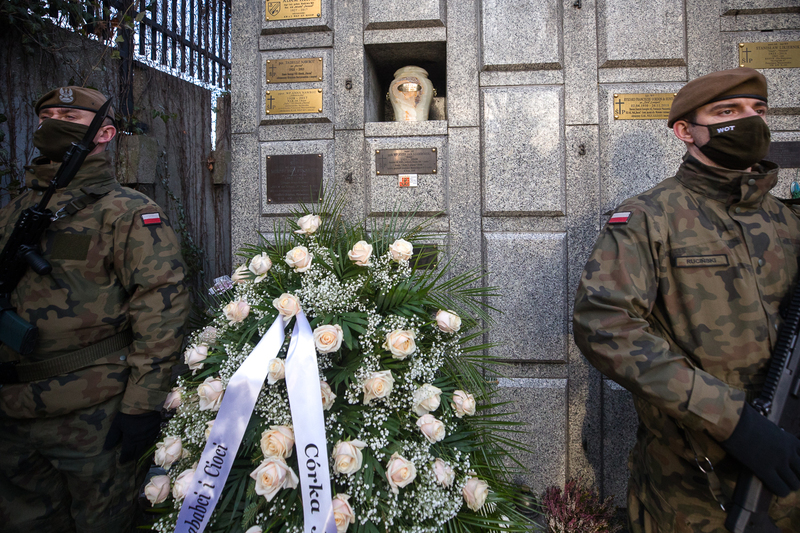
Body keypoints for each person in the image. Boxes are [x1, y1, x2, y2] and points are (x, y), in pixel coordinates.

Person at [573, 67, 800, 533]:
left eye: (758, 110)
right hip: (693, 489)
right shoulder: (647, 218)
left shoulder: (787, 220)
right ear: (686, 132)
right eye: (727, 112)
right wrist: (734, 421)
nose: (750, 121)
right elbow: (605, 327)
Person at [0, 86, 189, 532]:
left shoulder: (127, 212)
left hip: (93, 415)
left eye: (69, 114)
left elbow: (162, 308)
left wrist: (142, 405)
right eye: (47, 113)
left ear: (104, 133)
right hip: (13, 412)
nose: (53, 121)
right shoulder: (15, 212)